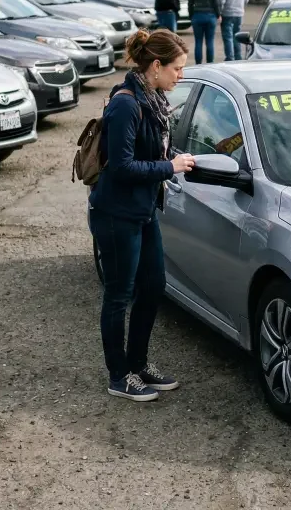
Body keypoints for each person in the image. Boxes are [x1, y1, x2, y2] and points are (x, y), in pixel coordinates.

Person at [89, 28, 195, 402]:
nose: (181, 75)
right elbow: (121, 167)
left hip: (143, 210)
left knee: (154, 287)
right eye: (177, 68)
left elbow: (153, 147)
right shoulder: (126, 104)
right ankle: (119, 376)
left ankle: (138, 363)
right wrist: (171, 166)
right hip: (116, 214)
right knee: (120, 295)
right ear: (155, 66)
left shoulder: (153, 100)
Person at [187, 0, 219, 64]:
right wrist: (218, 14)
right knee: (210, 42)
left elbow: (190, 1)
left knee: (198, 42)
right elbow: (215, 2)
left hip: (197, 15)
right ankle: (210, 64)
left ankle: (198, 64)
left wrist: (191, 14)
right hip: (210, 16)